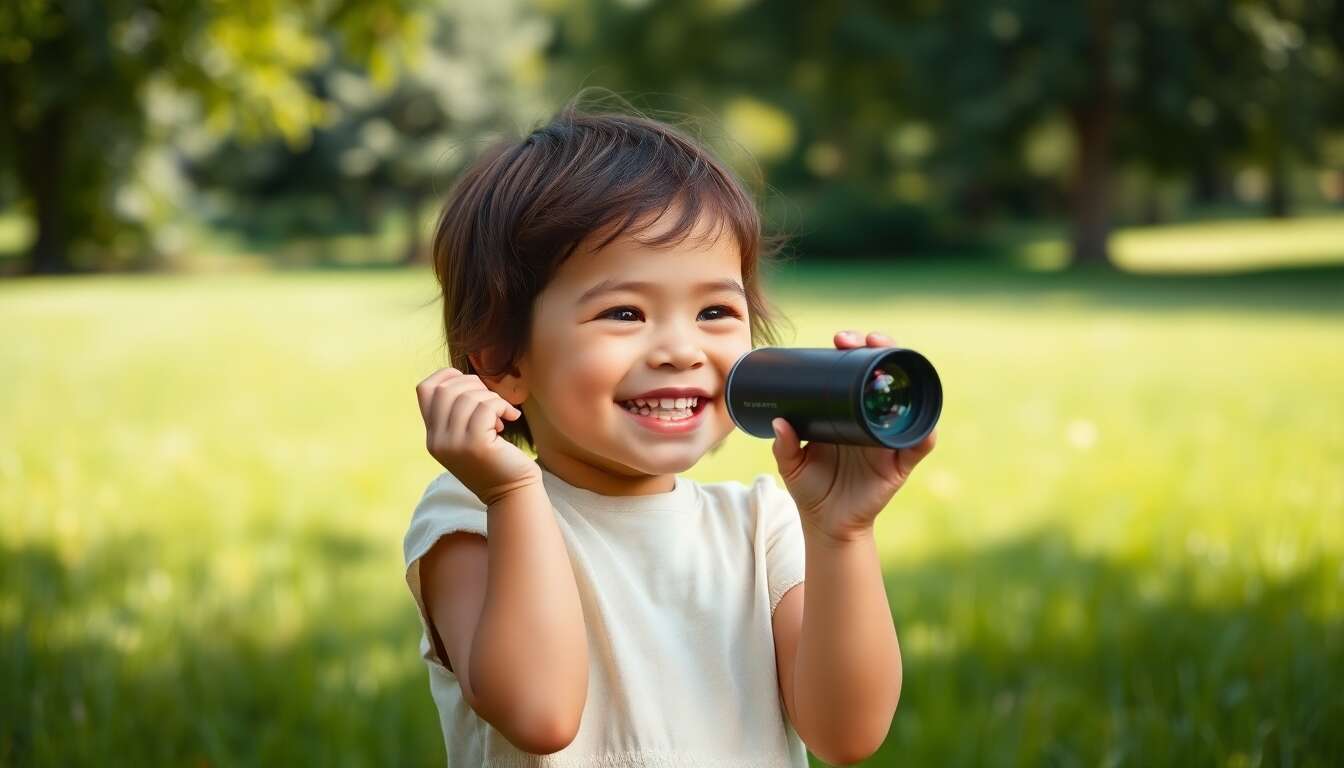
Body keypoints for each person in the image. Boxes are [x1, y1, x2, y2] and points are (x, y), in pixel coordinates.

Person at [404, 98, 938, 768]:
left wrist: (842, 533)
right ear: (503, 362)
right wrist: (511, 495)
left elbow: (845, 734)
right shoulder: (472, 517)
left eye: (714, 311)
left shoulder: (760, 526)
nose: (681, 351)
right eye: (625, 313)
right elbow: (540, 715)